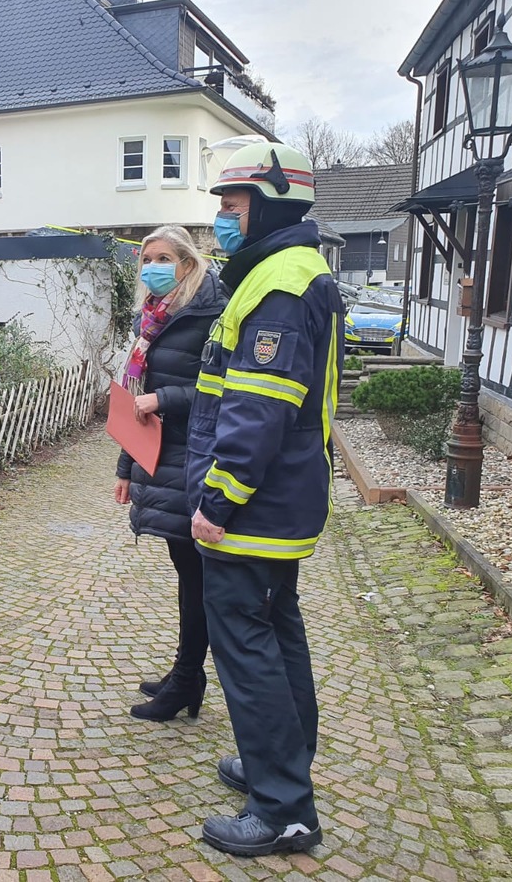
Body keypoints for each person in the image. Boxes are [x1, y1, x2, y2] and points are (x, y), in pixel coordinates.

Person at [186, 143, 344, 856]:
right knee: (279, 636)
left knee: (245, 647)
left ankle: (283, 810)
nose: (221, 219)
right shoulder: (293, 270)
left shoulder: (277, 284)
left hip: (255, 508)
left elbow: (259, 410)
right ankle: (279, 766)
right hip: (284, 502)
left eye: (231, 205)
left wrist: (217, 501)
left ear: (271, 203)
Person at [114, 225, 226, 722]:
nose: (151, 267)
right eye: (145, 258)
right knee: (188, 573)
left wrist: (166, 399)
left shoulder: (211, 312)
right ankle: (187, 674)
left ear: (186, 262)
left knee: (198, 576)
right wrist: (126, 466)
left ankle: (187, 679)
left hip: (197, 459)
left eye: (162, 257)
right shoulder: (153, 319)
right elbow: (132, 396)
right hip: (161, 457)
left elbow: (223, 390)